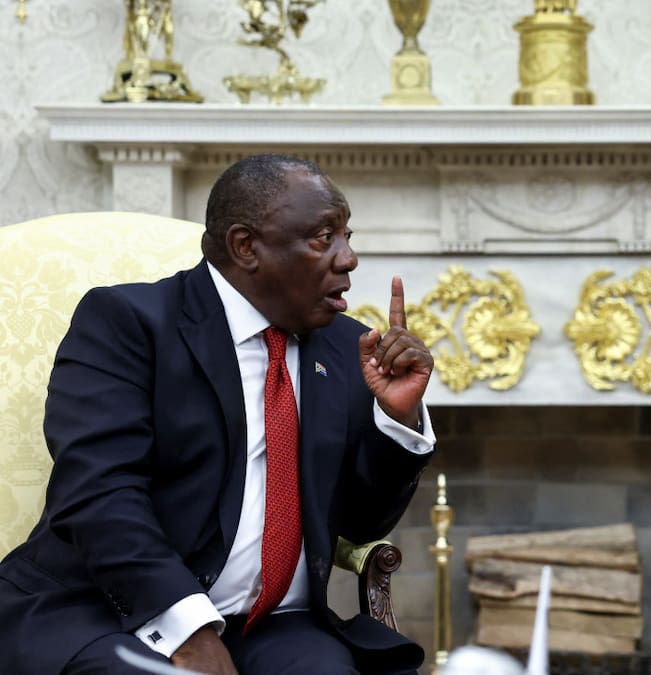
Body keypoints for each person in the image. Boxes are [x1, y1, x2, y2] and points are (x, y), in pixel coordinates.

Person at [0, 153, 437, 674]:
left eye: (347, 236)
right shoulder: (129, 324)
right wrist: (189, 630)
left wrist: (396, 423)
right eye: (324, 237)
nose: (348, 259)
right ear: (245, 246)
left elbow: (363, 523)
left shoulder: (347, 348)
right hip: (103, 609)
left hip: (274, 625)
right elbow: (99, 496)